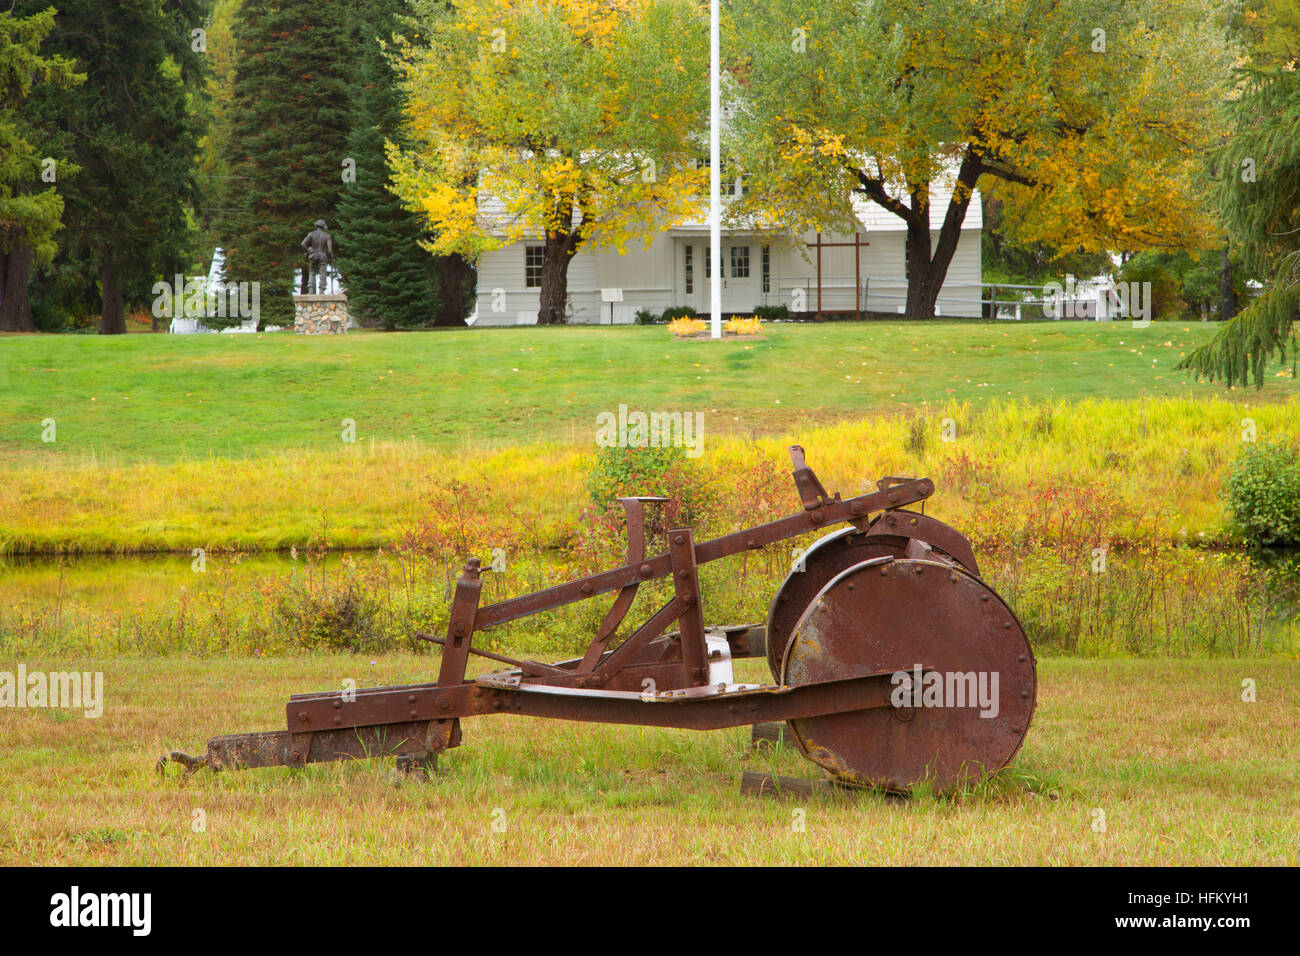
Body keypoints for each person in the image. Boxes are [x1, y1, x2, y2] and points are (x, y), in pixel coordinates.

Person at [300, 220, 334, 294]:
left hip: (313, 255)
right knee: (323, 272)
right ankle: (322, 290)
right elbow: (329, 250)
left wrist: (308, 252)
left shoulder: (311, 234)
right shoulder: (327, 236)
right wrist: (331, 256)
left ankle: (311, 290)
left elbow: (303, 244)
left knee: (312, 272)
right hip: (322, 255)